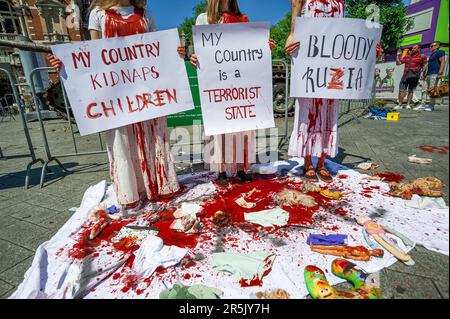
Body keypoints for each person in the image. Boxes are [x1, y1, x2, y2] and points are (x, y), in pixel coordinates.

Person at [48, 0, 186, 212]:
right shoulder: (98, 14)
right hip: (117, 96)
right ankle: (132, 192)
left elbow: (158, 50)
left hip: (147, 92)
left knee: (154, 137)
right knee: (123, 142)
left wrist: (175, 54)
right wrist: (65, 65)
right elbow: (92, 55)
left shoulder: (145, 13)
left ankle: (161, 185)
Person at [190, 0, 275, 184]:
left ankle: (241, 167)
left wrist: (264, 47)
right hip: (218, 85)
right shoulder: (204, 19)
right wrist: (194, 57)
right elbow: (200, 51)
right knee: (219, 128)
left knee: (241, 127)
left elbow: (251, 49)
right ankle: (220, 170)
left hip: (240, 85)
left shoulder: (243, 19)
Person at [284, 0, 345, 183]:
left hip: (333, 64)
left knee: (328, 112)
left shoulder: (340, 2)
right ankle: (308, 162)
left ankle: (322, 162)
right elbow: (296, 8)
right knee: (308, 113)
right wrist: (292, 34)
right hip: (308, 64)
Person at [415, 41, 446, 111]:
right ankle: (422, 105)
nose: (430, 47)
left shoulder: (440, 52)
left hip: (435, 74)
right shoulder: (432, 55)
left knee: (432, 90)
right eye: (430, 46)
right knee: (424, 90)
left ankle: (431, 106)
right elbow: (427, 65)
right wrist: (423, 75)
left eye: (432, 46)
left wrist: (440, 73)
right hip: (428, 74)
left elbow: (443, 61)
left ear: (437, 46)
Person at [395, 45, 427, 110]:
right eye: (412, 48)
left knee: (411, 91)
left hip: (414, 76)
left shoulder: (422, 56)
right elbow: (398, 63)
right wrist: (398, 55)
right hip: (405, 75)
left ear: (418, 49)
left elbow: (425, 65)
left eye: (415, 48)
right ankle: (400, 104)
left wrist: (423, 74)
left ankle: (408, 105)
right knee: (401, 90)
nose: (412, 49)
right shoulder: (407, 56)